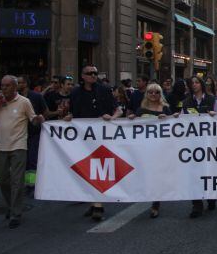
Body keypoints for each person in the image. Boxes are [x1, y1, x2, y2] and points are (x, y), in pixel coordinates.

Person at [0, 75, 44, 228]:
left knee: (17, 181)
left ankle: (15, 214)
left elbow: (32, 119)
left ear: (14, 87)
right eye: (2, 86)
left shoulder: (24, 102)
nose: (3, 88)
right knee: (2, 179)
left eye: (7, 86)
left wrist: (38, 119)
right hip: (0, 147)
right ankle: (11, 206)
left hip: (19, 145)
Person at [65, 65, 119, 221]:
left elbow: (117, 109)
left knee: (99, 169)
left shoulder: (104, 90)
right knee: (87, 170)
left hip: (102, 136)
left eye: (95, 73)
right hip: (83, 138)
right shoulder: (75, 92)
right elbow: (73, 113)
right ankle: (93, 201)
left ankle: (98, 206)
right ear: (82, 76)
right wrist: (69, 118)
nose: (93, 76)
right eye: (89, 73)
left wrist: (113, 118)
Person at [128, 83, 175, 218]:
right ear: (146, 94)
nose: (153, 95)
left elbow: (173, 126)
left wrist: (166, 119)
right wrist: (132, 119)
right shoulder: (141, 110)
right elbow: (134, 128)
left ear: (160, 94)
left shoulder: (165, 108)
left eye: (156, 92)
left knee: (157, 175)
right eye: (150, 92)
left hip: (160, 148)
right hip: (145, 148)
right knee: (145, 173)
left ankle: (156, 203)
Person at [182, 76, 217, 218]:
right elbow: (182, 120)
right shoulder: (186, 102)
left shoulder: (212, 100)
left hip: (209, 142)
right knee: (194, 173)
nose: (194, 85)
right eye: (192, 83)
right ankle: (196, 204)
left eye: (197, 82)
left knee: (209, 171)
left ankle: (211, 196)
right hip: (193, 143)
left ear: (202, 85)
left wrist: (214, 115)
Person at [16, 76, 48, 195]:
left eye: (20, 82)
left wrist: (39, 119)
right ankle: (23, 183)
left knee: (32, 159)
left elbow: (45, 112)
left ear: (26, 83)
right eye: (17, 82)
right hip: (19, 133)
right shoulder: (15, 98)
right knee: (21, 159)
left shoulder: (36, 96)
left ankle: (31, 184)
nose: (18, 84)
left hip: (34, 133)